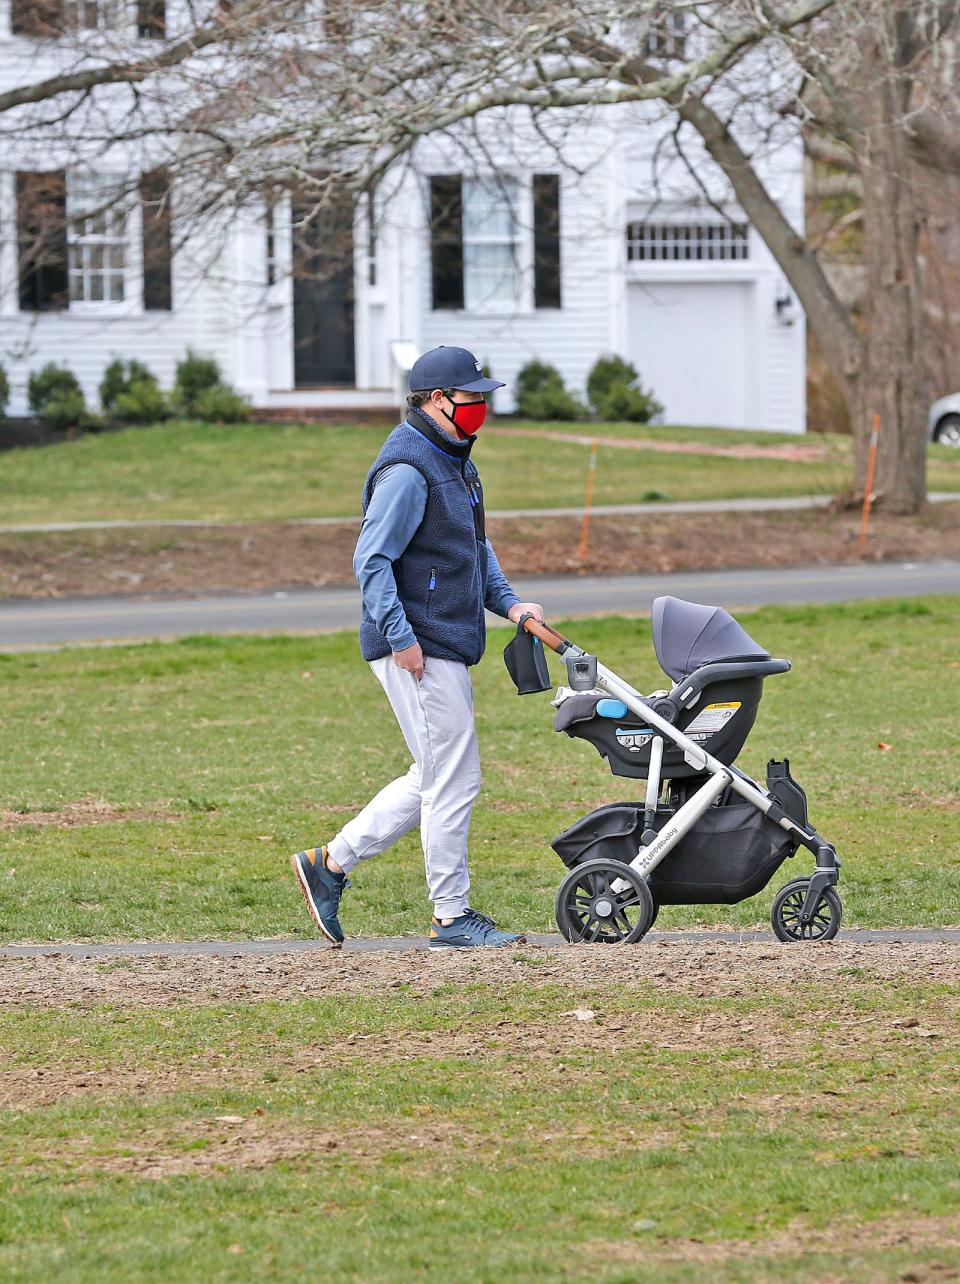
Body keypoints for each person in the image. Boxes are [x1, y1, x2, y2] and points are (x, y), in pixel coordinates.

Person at [291, 345, 544, 948]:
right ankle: (451, 917)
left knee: (434, 773)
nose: (482, 406)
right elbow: (371, 560)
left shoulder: (455, 458)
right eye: (472, 397)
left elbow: (473, 548)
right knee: (454, 779)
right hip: (419, 645)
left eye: (485, 396)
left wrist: (510, 603)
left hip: (440, 639)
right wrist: (402, 639)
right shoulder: (408, 469)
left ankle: (328, 865)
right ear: (437, 401)